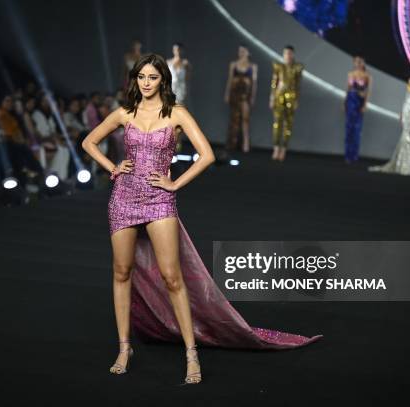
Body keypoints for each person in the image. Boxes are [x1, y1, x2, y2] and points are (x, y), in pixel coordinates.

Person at [82, 53, 322, 385]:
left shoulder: (176, 113)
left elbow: (206, 154)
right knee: (122, 273)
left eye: (152, 77)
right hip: (123, 197)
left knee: (172, 277)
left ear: (163, 80)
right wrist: (112, 168)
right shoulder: (125, 113)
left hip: (158, 199)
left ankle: (191, 352)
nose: (146, 83)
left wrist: (175, 183)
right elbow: (88, 141)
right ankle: (124, 348)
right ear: (135, 80)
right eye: (141, 77)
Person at [369, 61, 410, 176]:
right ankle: (401, 164)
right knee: (405, 136)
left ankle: (407, 166)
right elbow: (407, 97)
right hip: (406, 110)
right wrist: (402, 112)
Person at [0, 95, 44, 185]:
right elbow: (7, 131)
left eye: (11, 101)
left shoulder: (13, 114)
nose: (9, 103)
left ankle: (38, 178)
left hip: (18, 143)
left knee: (30, 158)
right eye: (7, 101)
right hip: (9, 143)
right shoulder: (1, 113)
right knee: (23, 158)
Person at [270, 45, 303, 161]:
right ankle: (276, 148)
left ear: (293, 54)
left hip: (291, 98)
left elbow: (298, 85)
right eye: (286, 53)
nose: (288, 56)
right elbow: (274, 82)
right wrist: (272, 97)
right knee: (277, 123)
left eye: (290, 53)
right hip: (279, 96)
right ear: (283, 54)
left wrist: (297, 100)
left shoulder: (297, 67)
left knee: (288, 125)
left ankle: (283, 149)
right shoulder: (278, 66)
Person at [224, 45, 257, 153]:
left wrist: (252, 96)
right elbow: (230, 79)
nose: (241, 53)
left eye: (243, 51)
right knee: (234, 119)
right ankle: (232, 144)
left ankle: (246, 144)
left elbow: (254, 83)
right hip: (235, 93)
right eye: (239, 51)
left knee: (245, 119)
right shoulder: (234, 64)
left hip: (245, 94)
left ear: (248, 52)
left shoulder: (252, 66)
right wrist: (227, 94)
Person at [344, 56, 372, 163]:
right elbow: (348, 88)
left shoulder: (367, 75)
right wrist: (345, 102)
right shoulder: (350, 74)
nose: (358, 63)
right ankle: (347, 155)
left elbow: (368, 91)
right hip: (351, 99)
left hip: (359, 100)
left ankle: (354, 155)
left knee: (357, 128)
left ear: (363, 62)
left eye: (360, 61)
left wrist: (365, 104)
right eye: (356, 61)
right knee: (348, 128)